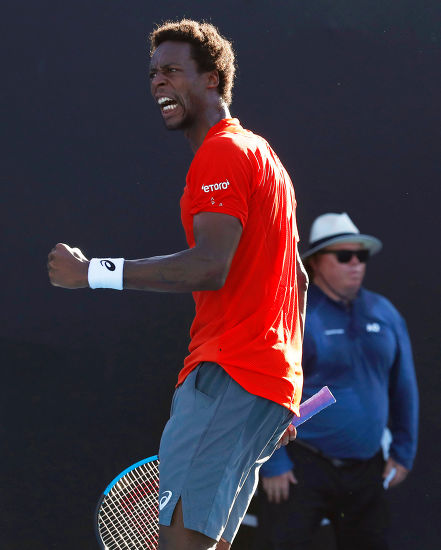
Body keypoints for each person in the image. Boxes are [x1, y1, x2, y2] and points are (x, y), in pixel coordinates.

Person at [47, 19, 308, 550]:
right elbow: (297, 280)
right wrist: (286, 388)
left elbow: (209, 266)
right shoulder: (265, 158)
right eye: (152, 74)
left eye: (172, 71)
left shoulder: (223, 153)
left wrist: (92, 273)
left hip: (228, 373)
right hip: (264, 386)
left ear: (212, 79)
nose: (158, 83)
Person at [256, 212, 419, 550]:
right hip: (302, 465)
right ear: (316, 262)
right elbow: (267, 389)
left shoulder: (384, 313)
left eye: (361, 256)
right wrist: (273, 461)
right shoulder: (296, 316)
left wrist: (403, 450)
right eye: (344, 256)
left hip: (367, 468)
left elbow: (404, 386)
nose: (356, 264)